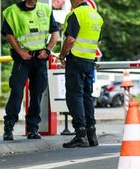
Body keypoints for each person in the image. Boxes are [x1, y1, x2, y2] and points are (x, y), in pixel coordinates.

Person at [1, 0, 60, 141]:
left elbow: (55, 32)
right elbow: (8, 34)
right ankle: (9, 127)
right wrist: (20, 52)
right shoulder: (12, 11)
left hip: (39, 59)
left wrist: (48, 50)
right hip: (23, 59)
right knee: (16, 91)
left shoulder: (45, 9)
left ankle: (33, 129)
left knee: (37, 94)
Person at [59, 0, 104, 148]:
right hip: (89, 60)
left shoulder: (76, 14)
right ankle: (92, 135)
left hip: (76, 59)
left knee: (74, 96)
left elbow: (70, 39)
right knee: (87, 96)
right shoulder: (96, 16)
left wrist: (62, 55)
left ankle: (80, 135)